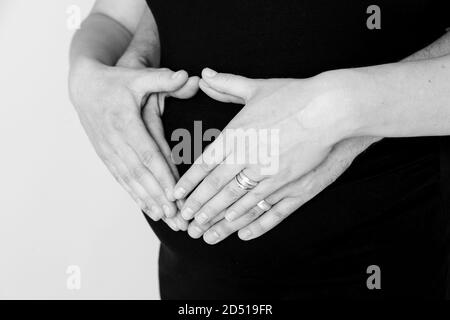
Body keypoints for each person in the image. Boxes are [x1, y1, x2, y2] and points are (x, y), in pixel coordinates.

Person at [69, 0, 450, 298]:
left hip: (396, 263)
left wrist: (338, 111)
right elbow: (115, 16)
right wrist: (87, 76)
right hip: (196, 282)